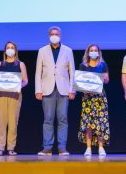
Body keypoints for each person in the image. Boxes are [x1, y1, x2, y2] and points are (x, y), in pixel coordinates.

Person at [35, 26, 75, 156]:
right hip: (47, 89)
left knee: (63, 119)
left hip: (63, 89)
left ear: (60, 36)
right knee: (48, 119)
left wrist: (72, 90)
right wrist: (38, 90)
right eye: (52, 34)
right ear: (48, 36)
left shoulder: (68, 50)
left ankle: (62, 147)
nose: (54, 35)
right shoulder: (42, 51)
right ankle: (47, 147)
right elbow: (38, 72)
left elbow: (72, 72)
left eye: (56, 34)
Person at [0, 41, 28, 156]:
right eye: (8, 47)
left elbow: (25, 80)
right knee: (1, 122)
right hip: (1, 95)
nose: (10, 49)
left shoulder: (20, 64)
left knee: (13, 122)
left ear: (15, 50)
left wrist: (18, 86)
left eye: (12, 47)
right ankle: (0, 148)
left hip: (15, 95)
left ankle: (11, 148)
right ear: (5, 50)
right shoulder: (0, 64)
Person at [78, 44, 110, 157]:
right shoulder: (83, 65)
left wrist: (105, 78)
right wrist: (83, 88)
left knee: (100, 122)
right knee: (89, 124)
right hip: (88, 98)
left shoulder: (103, 64)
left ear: (98, 52)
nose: (93, 52)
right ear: (88, 52)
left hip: (100, 97)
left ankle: (101, 148)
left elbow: (107, 80)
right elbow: (80, 82)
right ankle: (88, 148)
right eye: (91, 50)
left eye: (95, 50)